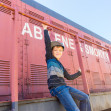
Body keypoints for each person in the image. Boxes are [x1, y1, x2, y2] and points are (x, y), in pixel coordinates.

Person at [42, 24, 91, 111]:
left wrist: (79, 73)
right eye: (56, 50)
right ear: (52, 51)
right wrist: (45, 30)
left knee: (85, 97)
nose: (58, 52)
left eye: (60, 50)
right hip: (57, 88)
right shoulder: (50, 58)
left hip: (65, 87)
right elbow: (47, 44)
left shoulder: (61, 66)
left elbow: (69, 77)